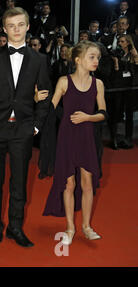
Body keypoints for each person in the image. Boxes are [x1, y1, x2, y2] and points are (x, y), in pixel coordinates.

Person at [0, 7, 51, 252]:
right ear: (5, 29)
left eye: (21, 24)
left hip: (23, 129)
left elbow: (45, 96)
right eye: (12, 25)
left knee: (19, 183)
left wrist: (37, 126)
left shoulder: (40, 60)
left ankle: (16, 227)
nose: (17, 29)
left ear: (28, 26)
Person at [43, 41, 107, 245]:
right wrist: (38, 99)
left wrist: (88, 117)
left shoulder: (98, 84)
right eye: (92, 57)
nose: (96, 61)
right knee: (69, 183)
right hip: (67, 137)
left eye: (97, 57)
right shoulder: (63, 81)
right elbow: (50, 109)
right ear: (78, 60)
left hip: (87, 137)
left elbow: (103, 113)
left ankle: (86, 227)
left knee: (87, 184)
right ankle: (70, 227)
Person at [109, 34, 138, 149]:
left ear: (128, 43)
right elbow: (113, 73)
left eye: (122, 41)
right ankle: (114, 138)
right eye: (119, 41)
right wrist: (116, 63)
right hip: (118, 88)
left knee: (129, 114)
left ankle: (128, 138)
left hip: (130, 88)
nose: (120, 43)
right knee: (116, 112)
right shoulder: (116, 53)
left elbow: (136, 72)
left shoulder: (133, 55)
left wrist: (136, 59)